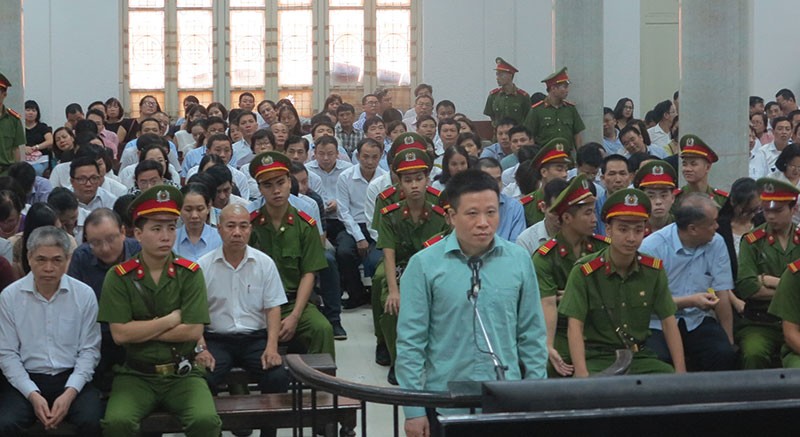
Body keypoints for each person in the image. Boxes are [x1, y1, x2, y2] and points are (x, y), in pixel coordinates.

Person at [396, 169, 547, 436]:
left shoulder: (519, 260)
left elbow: (532, 334)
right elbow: (411, 342)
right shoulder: (424, 265)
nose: (483, 223)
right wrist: (414, 410)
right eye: (472, 213)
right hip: (444, 402)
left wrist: (534, 398)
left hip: (505, 400)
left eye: (491, 212)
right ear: (452, 216)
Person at [98, 185, 221, 436]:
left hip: (182, 374)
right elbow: (120, 335)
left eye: (171, 227)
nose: (166, 236)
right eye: (156, 229)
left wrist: (142, 329)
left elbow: (193, 330)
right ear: (138, 234)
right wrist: (171, 319)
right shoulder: (119, 277)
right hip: (136, 374)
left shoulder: (190, 273)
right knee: (116, 423)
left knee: (205, 421)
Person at [559, 188, 686, 376]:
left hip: (640, 357)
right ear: (608, 229)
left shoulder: (653, 271)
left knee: (667, 383)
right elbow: (575, 326)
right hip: (598, 358)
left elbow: (668, 321)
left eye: (638, 230)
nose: (631, 238)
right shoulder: (585, 272)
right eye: (623, 229)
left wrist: (681, 372)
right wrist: (582, 373)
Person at [196, 204, 288, 437]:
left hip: (255, 338)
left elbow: (273, 308)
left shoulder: (264, 263)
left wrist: (272, 346)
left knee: (277, 375)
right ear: (219, 229)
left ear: (250, 229)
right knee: (201, 378)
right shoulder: (203, 266)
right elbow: (194, 313)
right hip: (216, 339)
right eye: (230, 226)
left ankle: (269, 433)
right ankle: (214, 429)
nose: (237, 232)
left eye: (243, 226)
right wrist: (201, 348)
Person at [0, 226, 102, 436]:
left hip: (72, 376)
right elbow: (7, 353)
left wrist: (70, 392)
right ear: (29, 258)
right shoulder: (10, 297)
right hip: (26, 378)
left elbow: (89, 351)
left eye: (57, 260)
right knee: (6, 422)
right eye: (41, 259)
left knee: (92, 420)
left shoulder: (84, 295)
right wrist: (32, 394)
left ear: (68, 260)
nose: (48, 268)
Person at [248, 151, 335, 357]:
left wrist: (295, 316)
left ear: (289, 182)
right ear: (259, 189)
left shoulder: (305, 225)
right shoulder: (249, 225)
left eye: (280, 182)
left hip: (294, 303)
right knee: (236, 338)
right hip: (256, 306)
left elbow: (309, 273)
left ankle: (320, 387)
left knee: (322, 329)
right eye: (268, 185)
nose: (276, 190)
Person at [640, 194, 737, 371]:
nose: (717, 227)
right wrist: (691, 301)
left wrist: (729, 339)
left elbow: (722, 293)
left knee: (723, 353)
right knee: (659, 359)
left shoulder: (717, 243)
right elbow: (646, 302)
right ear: (693, 229)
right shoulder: (651, 248)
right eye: (712, 223)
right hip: (657, 322)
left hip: (697, 319)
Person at [376, 148, 449, 385]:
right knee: (391, 307)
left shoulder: (440, 213)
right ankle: (398, 360)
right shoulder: (390, 215)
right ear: (399, 182)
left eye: (419, 179)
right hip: (402, 271)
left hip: (434, 273)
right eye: (408, 180)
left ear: (428, 180)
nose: (414, 185)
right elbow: (389, 254)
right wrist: (394, 290)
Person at [533, 174, 609, 377]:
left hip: (600, 328)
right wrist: (548, 345)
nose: (594, 219)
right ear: (566, 218)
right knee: (554, 367)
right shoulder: (545, 258)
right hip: (562, 331)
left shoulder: (602, 249)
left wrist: (571, 296)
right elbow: (548, 304)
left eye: (594, 212)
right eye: (587, 213)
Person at [67, 208, 140, 390]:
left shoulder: (141, 252)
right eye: (96, 243)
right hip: (96, 336)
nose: (105, 248)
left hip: (135, 334)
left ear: (123, 232)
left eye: (111, 239)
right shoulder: (82, 258)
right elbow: (74, 306)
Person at [735, 177, 800, 369]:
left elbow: (757, 285)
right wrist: (791, 289)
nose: (771, 216)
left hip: (797, 321)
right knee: (754, 352)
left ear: (793, 208)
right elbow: (747, 287)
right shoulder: (752, 241)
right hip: (761, 322)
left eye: (778, 210)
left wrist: (766, 280)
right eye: (766, 210)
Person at [336, 138, 386, 309]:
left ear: (381, 157)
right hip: (353, 226)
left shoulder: (385, 179)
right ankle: (356, 294)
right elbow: (343, 211)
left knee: (377, 257)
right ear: (357, 156)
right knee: (343, 252)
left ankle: (376, 294)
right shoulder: (345, 177)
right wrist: (358, 237)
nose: (370, 161)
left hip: (379, 226)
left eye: (375, 157)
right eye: (366, 157)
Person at [523, 67, 585, 151]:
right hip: (545, 156)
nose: (567, 90)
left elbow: (577, 135)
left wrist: (580, 156)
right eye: (564, 87)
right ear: (553, 88)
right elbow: (529, 136)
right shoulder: (537, 110)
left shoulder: (570, 109)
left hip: (566, 155)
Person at [520, 138, 571, 227]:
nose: (564, 174)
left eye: (566, 170)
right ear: (544, 172)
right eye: (559, 169)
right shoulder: (527, 205)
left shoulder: (573, 199)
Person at [673, 134, 728, 210]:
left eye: (693, 164)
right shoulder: (675, 199)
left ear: (707, 167)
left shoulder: (721, 200)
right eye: (684, 164)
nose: (687, 169)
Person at [477, 157, 526, 242]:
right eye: (490, 180)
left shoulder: (514, 207)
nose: (496, 185)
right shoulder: (467, 206)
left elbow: (516, 245)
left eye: (498, 180)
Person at [516, 178, 568, 255]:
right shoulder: (526, 240)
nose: (560, 218)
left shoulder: (580, 233)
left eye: (565, 212)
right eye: (555, 213)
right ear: (543, 207)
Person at [174, 183, 221, 261]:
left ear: (208, 208)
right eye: (188, 210)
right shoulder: (171, 239)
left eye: (200, 209)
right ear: (179, 209)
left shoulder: (220, 238)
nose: (194, 216)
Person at [633, 160, 677, 235]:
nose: (658, 202)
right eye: (651, 196)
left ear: (672, 198)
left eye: (663, 196)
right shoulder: (633, 228)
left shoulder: (682, 227)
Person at [483, 57, 530, 126]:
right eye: (497, 74)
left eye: (501, 74)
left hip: (516, 134)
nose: (497, 78)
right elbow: (492, 117)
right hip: (500, 134)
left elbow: (528, 118)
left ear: (510, 75)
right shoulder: (493, 96)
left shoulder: (523, 97)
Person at [0, 74, 25, 175]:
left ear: (4, 94)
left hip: (6, 172)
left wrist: (16, 173)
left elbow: (16, 149)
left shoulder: (14, 120)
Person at [23, 100, 53, 176]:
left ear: (37, 113)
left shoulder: (42, 127)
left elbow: (50, 141)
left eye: (34, 110)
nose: (31, 113)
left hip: (40, 160)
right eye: (28, 110)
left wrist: (36, 147)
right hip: (24, 159)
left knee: (36, 169)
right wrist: (23, 149)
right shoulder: (20, 127)